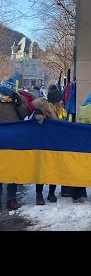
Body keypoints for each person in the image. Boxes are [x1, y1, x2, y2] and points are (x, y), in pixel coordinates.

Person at [33, 84, 67, 205]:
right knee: (41, 170)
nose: (62, 102)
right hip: (44, 144)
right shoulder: (45, 109)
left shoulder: (61, 112)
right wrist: (38, 117)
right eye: (60, 101)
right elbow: (36, 115)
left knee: (54, 169)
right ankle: (39, 195)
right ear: (56, 101)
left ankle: (51, 193)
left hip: (56, 144)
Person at [0, 80, 30, 211]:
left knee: (12, 170)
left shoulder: (19, 99)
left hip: (14, 141)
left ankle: (11, 200)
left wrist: (19, 104)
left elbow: (26, 115)